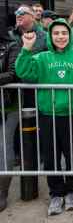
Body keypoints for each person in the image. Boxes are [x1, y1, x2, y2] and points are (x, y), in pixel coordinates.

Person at [15, 18, 73, 216]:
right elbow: (24, 72)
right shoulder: (42, 57)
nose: (60, 37)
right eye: (56, 33)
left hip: (72, 114)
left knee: (71, 155)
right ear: (51, 36)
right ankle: (56, 193)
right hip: (48, 114)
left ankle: (71, 191)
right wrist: (26, 49)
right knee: (51, 156)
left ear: (69, 36)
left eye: (64, 33)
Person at [0, 30, 23, 212]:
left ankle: (2, 192)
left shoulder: (12, 45)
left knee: (4, 148)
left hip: (7, 106)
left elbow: (14, 73)